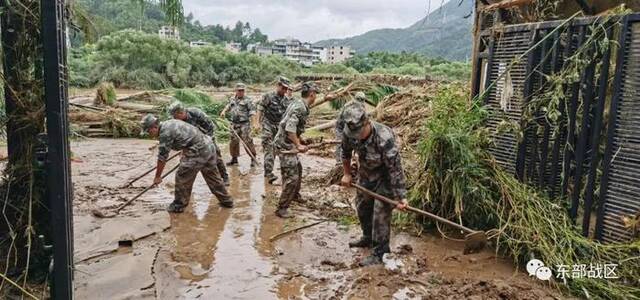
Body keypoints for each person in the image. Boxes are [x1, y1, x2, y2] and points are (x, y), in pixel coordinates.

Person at [339, 104, 408, 266]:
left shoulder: (384, 138)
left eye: (359, 133)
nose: (356, 137)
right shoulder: (349, 133)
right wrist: (347, 174)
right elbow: (345, 153)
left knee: (380, 212)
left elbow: (395, 169)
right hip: (367, 174)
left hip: (386, 178)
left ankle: (380, 252)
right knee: (362, 206)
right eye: (353, 133)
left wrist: (401, 197)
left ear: (367, 123)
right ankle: (368, 238)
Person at [141, 114, 234, 213]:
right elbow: (187, 135)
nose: (149, 134)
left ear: (154, 127)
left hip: (199, 149)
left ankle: (178, 205)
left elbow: (162, 158)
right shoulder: (169, 123)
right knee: (212, 176)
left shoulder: (165, 133)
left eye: (148, 131)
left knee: (182, 175)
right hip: (207, 145)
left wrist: (158, 177)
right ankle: (226, 200)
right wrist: (184, 149)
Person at [273, 82, 317, 218]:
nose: (316, 97)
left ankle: (295, 195)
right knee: (291, 176)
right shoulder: (300, 107)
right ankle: (282, 208)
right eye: (315, 95)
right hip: (284, 146)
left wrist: (300, 139)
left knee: (298, 168)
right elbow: (290, 129)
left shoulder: (299, 104)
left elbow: (291, 126)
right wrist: (298, 145)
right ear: (312, 94)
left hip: (287, 142)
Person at [168, 102, 230, 186]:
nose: (174, 118)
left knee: (216, 155)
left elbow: (210, 126)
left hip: (206, 136)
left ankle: (225, 177)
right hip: (192, 140)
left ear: (181, 112)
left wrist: (208, 140)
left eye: (175, 116)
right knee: (186, 161)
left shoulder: (196, 113)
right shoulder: (178, 121)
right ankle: (186, 184)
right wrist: (184, 149)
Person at [255, 76, 292, 184]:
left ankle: (284, 172)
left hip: (280, 127)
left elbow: (287, 116)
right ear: (278, 85)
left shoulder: (287, 100)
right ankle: (269, 173)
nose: (285, 90)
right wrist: (257, 122)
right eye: (283, 88)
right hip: (268, 124)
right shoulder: (268, 96)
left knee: (280, 149)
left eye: (286, 89)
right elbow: (260, 108)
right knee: (269, 148)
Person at [220, 83, 258, 167]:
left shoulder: (248, 100)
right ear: (236, 91)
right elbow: (228, 106)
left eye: (242, 90)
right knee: (233, 142)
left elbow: (252, 112)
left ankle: (253, 158)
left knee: (247, 141)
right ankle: (234, 159)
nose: (241, 92)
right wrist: (224, 111)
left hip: (244, 124)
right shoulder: (232, 99)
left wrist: (255, 123)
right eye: (239, 90)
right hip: (234, 124)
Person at [334, 92, 367, 164]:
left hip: (352, 128)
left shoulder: (362, 107)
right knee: (340, 143)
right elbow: (343, 119)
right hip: (341, 127)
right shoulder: (348, 106)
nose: (360, 101)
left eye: (362, 100)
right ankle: (339, 162)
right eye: (359, 99)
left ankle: (355, 160)